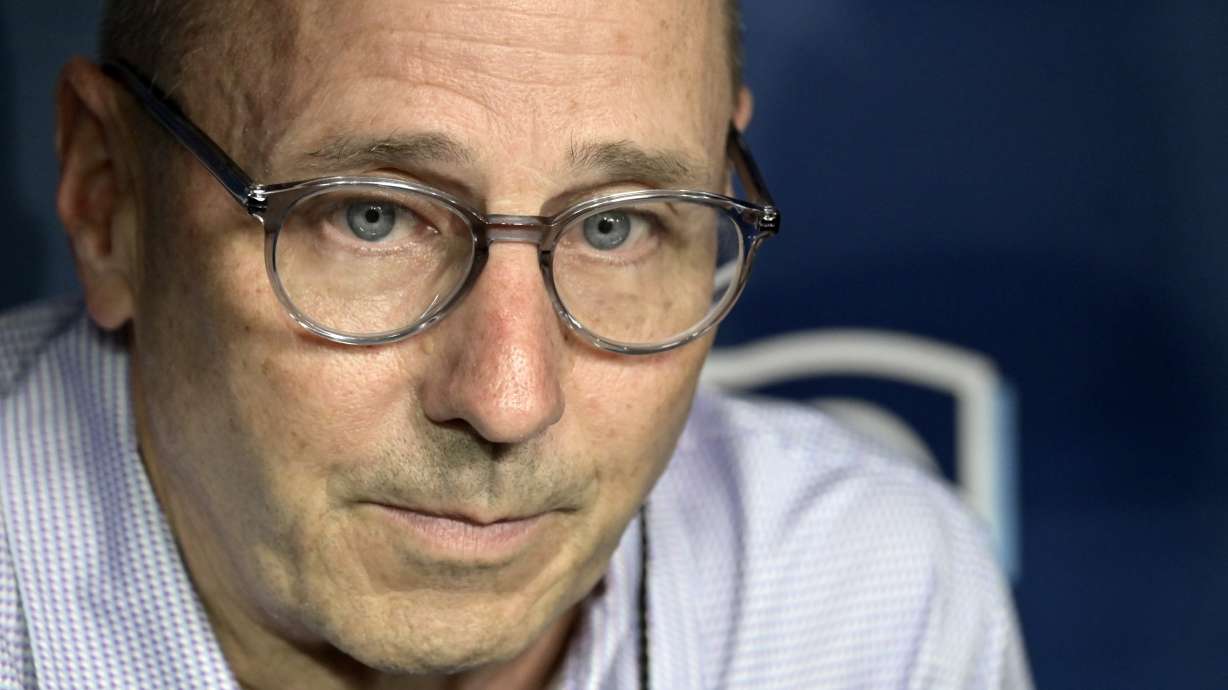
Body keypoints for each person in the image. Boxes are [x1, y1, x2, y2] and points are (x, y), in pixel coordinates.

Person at [0, 0, 1031, 688]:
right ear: (110, 199)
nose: (507, 398)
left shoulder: (867, 602)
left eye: (614, 225)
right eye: (372, 215)